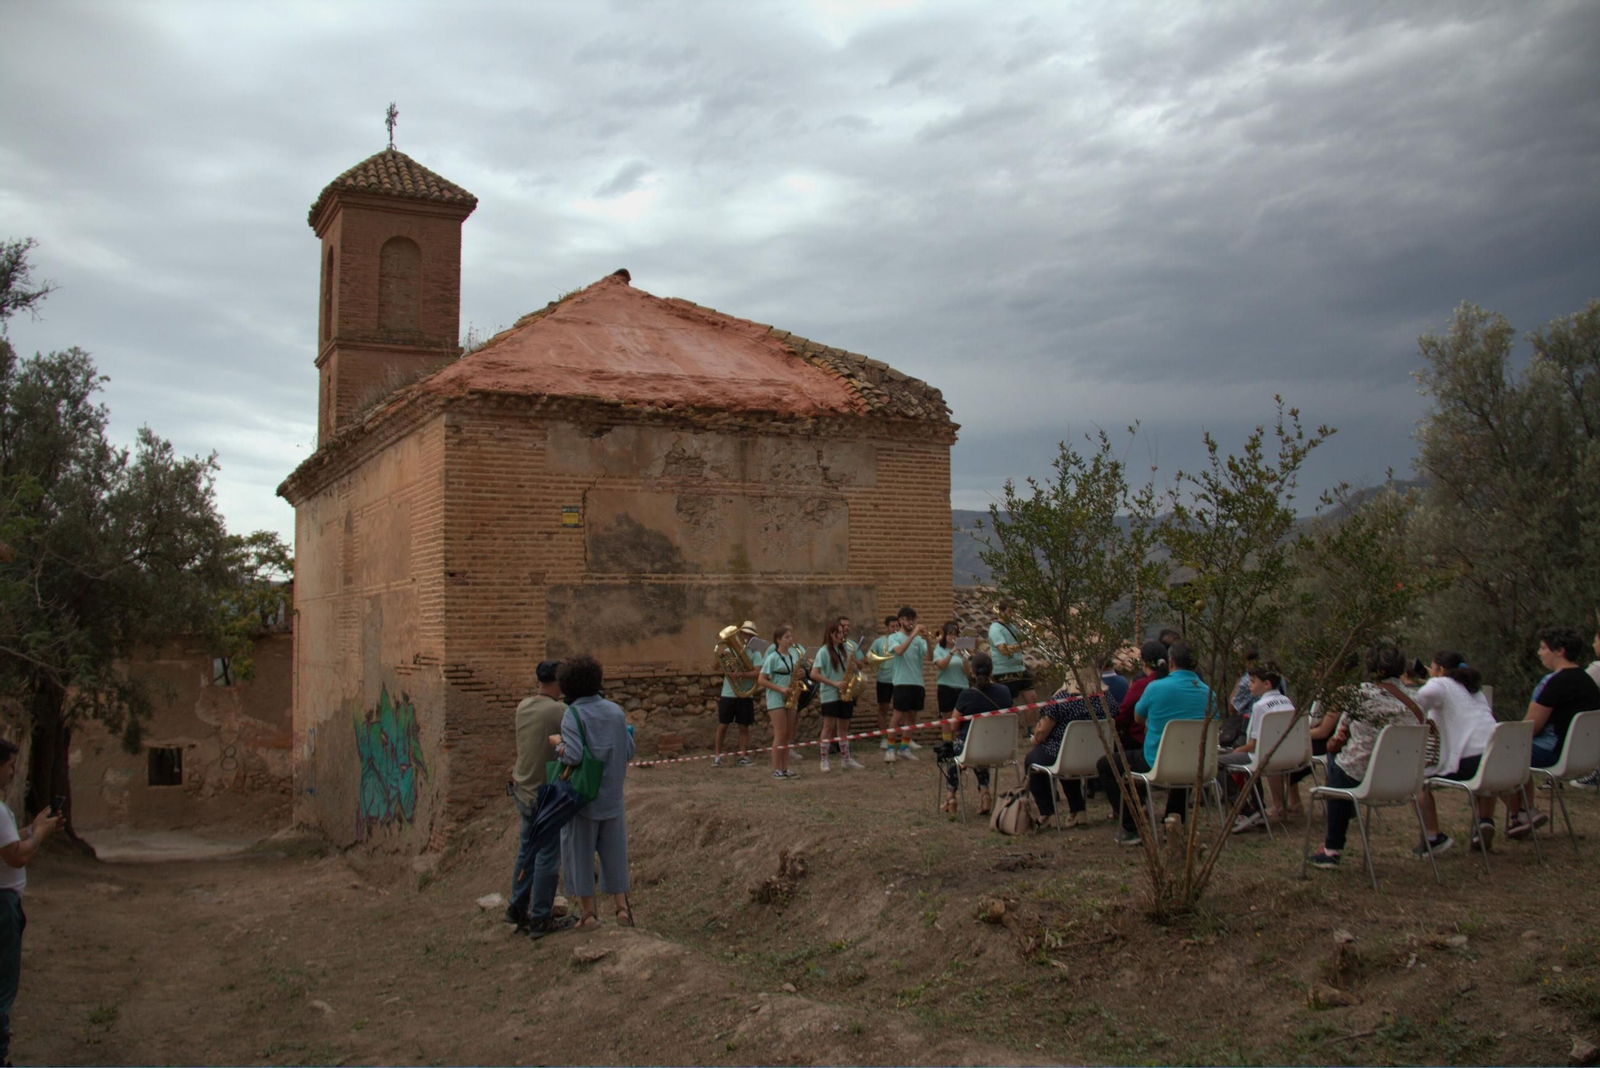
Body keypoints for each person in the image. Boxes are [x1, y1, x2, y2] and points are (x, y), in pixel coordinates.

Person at [1308, 644, 1415, 870]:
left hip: (1360, 776)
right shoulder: (1416, 699)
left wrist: (1333, 745)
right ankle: (1345, 813)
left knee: (1337, 759)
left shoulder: (1360, 695)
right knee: (1342, 762)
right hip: (1403, 778)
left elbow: (1337, 737)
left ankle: (1332, 849)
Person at [1098, 641, 1209, 845]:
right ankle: (1174, 824)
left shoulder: (1154, 687)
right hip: (1197, 762)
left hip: (1156, 760)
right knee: (1183, 763)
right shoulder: (1209, 693)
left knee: (1106, 765)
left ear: (1171, 662)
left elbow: (1138, 718)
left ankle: (1131, 827)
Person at [554, 655, 637, 927]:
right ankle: (622, 909)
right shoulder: (615, 711)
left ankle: (589, 914)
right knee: (615, 853)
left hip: (583, 799)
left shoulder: (573, 715)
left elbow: (574, 755)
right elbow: (629, 750)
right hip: (613, 796)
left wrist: (558, 746)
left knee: (580, 854)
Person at [0, 738, 65, 1065]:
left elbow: (8, 842)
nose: (13, 772)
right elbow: (17, 856)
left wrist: (34, 827)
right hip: (2, 906)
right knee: (3, 987)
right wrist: (39, 835)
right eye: (9, 765)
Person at [1504, 627, 1600, 838]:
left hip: (1554, 752)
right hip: (1583, 756)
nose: (1539, 653)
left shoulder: (1553, 682)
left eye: (1543, 648)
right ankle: (1523, 812)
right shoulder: (1588, 682)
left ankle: (1523, 813)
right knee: (1513, 751)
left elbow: (1530, 728)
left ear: (1560, 651)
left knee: (1502, 752)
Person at [506, 660, 579, 937]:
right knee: (547, 856)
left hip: (523, 789)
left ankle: (516, 906)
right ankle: (540, 917)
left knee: (527, 850)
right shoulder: (560, 711)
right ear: (558, 682)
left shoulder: (523, 706)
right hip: (545, 794)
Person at [1414, 651, 1498, 855]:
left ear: (1441, 670)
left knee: (1417, 782)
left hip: (1468, 761)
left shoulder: (1440, 684)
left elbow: (1418, 701)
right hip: (1496, 756)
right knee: (1485, 771)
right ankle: (1484, 821)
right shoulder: (1474, 689)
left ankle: (1433, 837)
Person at [1027, 678, 1110, 828]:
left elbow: (1042, 730)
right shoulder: (1105, 696)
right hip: (1098, 755)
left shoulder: (1062, 699)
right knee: (1065, 758)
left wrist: (1035, 739)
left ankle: (1047, 812)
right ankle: (1078, 810)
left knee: (1032, 760)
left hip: (1064, 753)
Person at [1223, 662, 1296, 834]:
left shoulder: (1260, 706)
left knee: (1218, 763)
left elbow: (1254, 744)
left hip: (1262, 756)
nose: (1249, 685)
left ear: (1267, 684)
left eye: (1253, 681)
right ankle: (1258, 807)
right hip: (1286, 756)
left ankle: (1244, 809)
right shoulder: (1287, 702)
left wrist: (1237, 751)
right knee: (1247, 762)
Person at [941, 652, 1010, 815]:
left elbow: (953, 726)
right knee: (981, 747)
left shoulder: (967, 695)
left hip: (972, 749)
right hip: (1001, 748)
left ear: (972, 671)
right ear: (992, 670)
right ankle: (985, 794)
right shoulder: (1005, 692)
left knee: (954, 751)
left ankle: (951, 797)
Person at [811, 617, 864, 771]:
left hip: (845, 693)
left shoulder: (846, 650)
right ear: (831, 634)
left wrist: (854, 667)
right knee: (828, 727)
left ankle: (846, 759)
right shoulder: (823, 651)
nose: (842, 635)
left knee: (843, 728)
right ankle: (824, 760)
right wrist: (833, 683)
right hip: (830, 693)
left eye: (842, 632)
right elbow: (814, 674)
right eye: (838, 633)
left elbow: (850, 669)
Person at [757, 625, 804, 779]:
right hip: (776, 697)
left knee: (788, 734)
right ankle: (775, 769)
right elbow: (761, 679)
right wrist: (780, 688)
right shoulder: (772, 658)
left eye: (791, 637)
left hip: (790, 696)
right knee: (780, 733)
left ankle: (785, 768)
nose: (790, 640)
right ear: (778, 640)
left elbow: (794, 674)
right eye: (787, 637)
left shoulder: (793, 656)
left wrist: (801, 674)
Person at [713, 621, 760, 768]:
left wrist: (741, 674)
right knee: (723, 726)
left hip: (745, 694)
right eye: (744, 633)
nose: (746, 636)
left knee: (743, 727)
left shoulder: (756, 653)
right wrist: (721, 657)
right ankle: (717, 757)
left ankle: (743, 756)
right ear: (740, 634)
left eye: (749, 634)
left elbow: (758, 673)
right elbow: (714, 667)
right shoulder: (729, 649)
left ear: (753, 637)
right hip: (728, 694)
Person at [885, 607, 929, 762]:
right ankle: (890, 749)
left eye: (912, 619)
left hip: (917, 682)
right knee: (897, 716)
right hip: (902, 681)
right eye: (908, 619)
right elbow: (899, 651)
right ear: (900, 620)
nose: (911, 622)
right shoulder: (894, 637)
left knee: (911, 717)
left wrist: (927, 640)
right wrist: (913, 635)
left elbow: (930, 657)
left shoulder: (919, 640)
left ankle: (904, 748)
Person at [988, 600, 1036, 713]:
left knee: (1032, 698)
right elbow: (1004, 650)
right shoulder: (995, 628)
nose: (1012, 615)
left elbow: (1022, 639)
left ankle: (1032, 724)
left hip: (1019, 668)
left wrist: (1033, 634)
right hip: (1004, 671)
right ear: (1001, 612)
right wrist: (1024, 644)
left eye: (1013, 612)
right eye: (1009, 612)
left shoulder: (1012, 627)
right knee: (1008, 704)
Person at [931, 621, 971, 726]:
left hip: (962, 687)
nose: (953, 636)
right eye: (950, 634)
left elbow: (967, 672)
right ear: (945, 635)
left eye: (955, 634)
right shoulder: (939, 649)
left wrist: (964, 657)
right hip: (946, 687)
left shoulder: (962, 649)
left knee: (961, 719)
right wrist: (952, 652)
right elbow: (942, 666)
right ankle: (947, 737)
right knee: (947, 720)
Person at [868, 616, 899, 751]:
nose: (895, 629)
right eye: (892, 626)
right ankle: (884, 738)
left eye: (897, 626)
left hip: (900, 679)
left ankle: (906, 738)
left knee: (902, 710)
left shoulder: (902, 640)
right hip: (884, 680)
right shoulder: (879, 642)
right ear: (887, 627)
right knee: (883, 709)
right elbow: (869, 657)